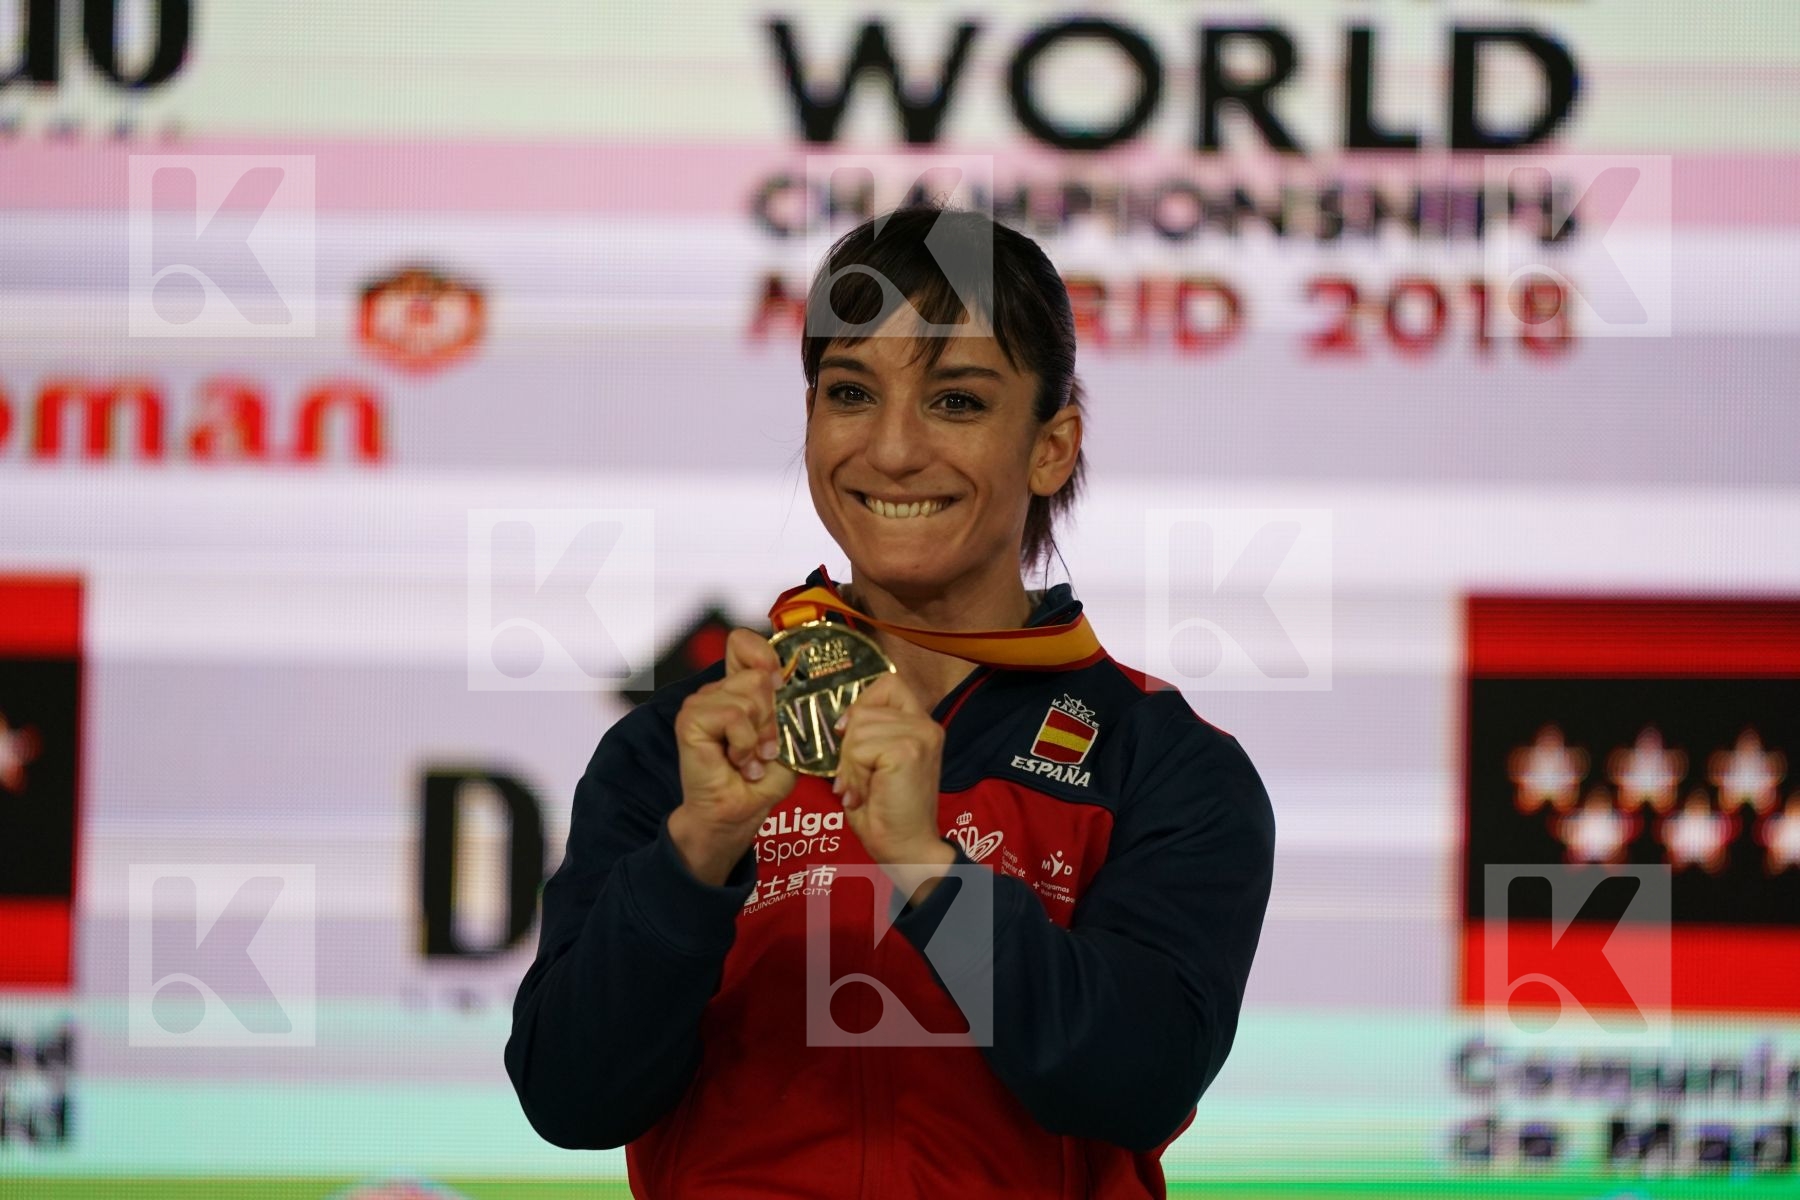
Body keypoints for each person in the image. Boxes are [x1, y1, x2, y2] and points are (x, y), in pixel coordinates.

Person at [504, 204, 1277, 1199]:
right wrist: (697, 853)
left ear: (1051, 447)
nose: (895, 450)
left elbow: (1132, 1078)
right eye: (851, 392)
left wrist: (928, 870)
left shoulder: (1160, 761)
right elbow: (571, 1098)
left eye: (956, 401)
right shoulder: (686, 748)